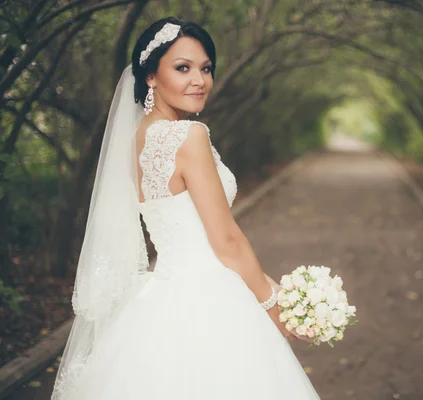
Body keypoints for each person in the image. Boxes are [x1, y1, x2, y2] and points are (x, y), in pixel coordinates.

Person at [50, 17, 320, 400]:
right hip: (211, 299)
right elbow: (225, 241)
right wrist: (275, 309)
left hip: (164, 295)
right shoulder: (188, 136)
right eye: (183, 68)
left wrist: (278, 289)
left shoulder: (137, 139)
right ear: (151, 77)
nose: (200, 80)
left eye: (205, 68)